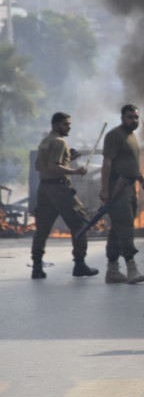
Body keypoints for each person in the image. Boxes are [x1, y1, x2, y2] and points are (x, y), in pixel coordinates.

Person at [30, 112, 97, 279]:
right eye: (65, 124)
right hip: (59, 189)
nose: (69, 127)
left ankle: (37, 266)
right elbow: (53, 166)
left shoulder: (45, 141)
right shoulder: (59, 142)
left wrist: (69, 159)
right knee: (79, 223)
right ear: (55, 125)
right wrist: (75, 170)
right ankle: (80, 264)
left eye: (69, 124)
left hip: (44, 190)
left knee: (42, 230)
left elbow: (39, 166)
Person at [99, 104, 144, 284]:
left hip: (130, 187)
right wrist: (105, 189)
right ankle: (132, 268)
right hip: (118, 187)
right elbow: (107, 163)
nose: (134, 120)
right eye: (130, 117)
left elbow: (132, 166)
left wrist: (143, 182)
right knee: (125, 227)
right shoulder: (114, 136)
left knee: (118, 228)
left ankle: (112, 270)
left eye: (136, 117)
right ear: (122, 118)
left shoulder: (132, 137)